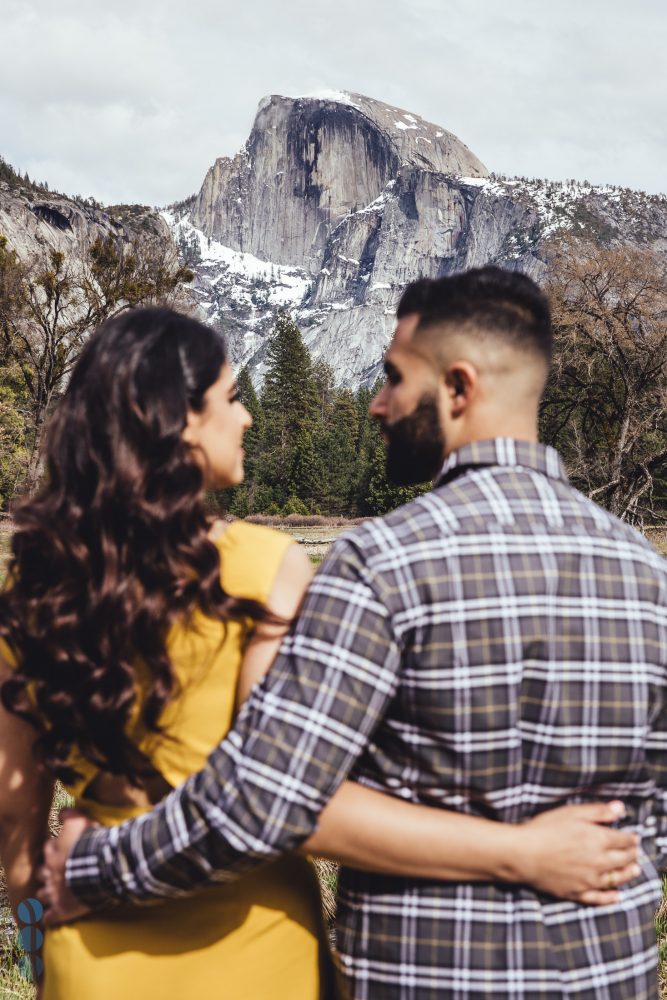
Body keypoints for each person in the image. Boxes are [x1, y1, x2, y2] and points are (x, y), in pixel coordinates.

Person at [1, 298, 648, 996]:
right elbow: (274, 797)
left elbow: (18, 815)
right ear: (179, 418)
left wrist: (42, 946)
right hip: (254, 939)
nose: (246, 416)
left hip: (90, 948)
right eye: (232, 397)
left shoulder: (31, 589)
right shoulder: (260, 566)